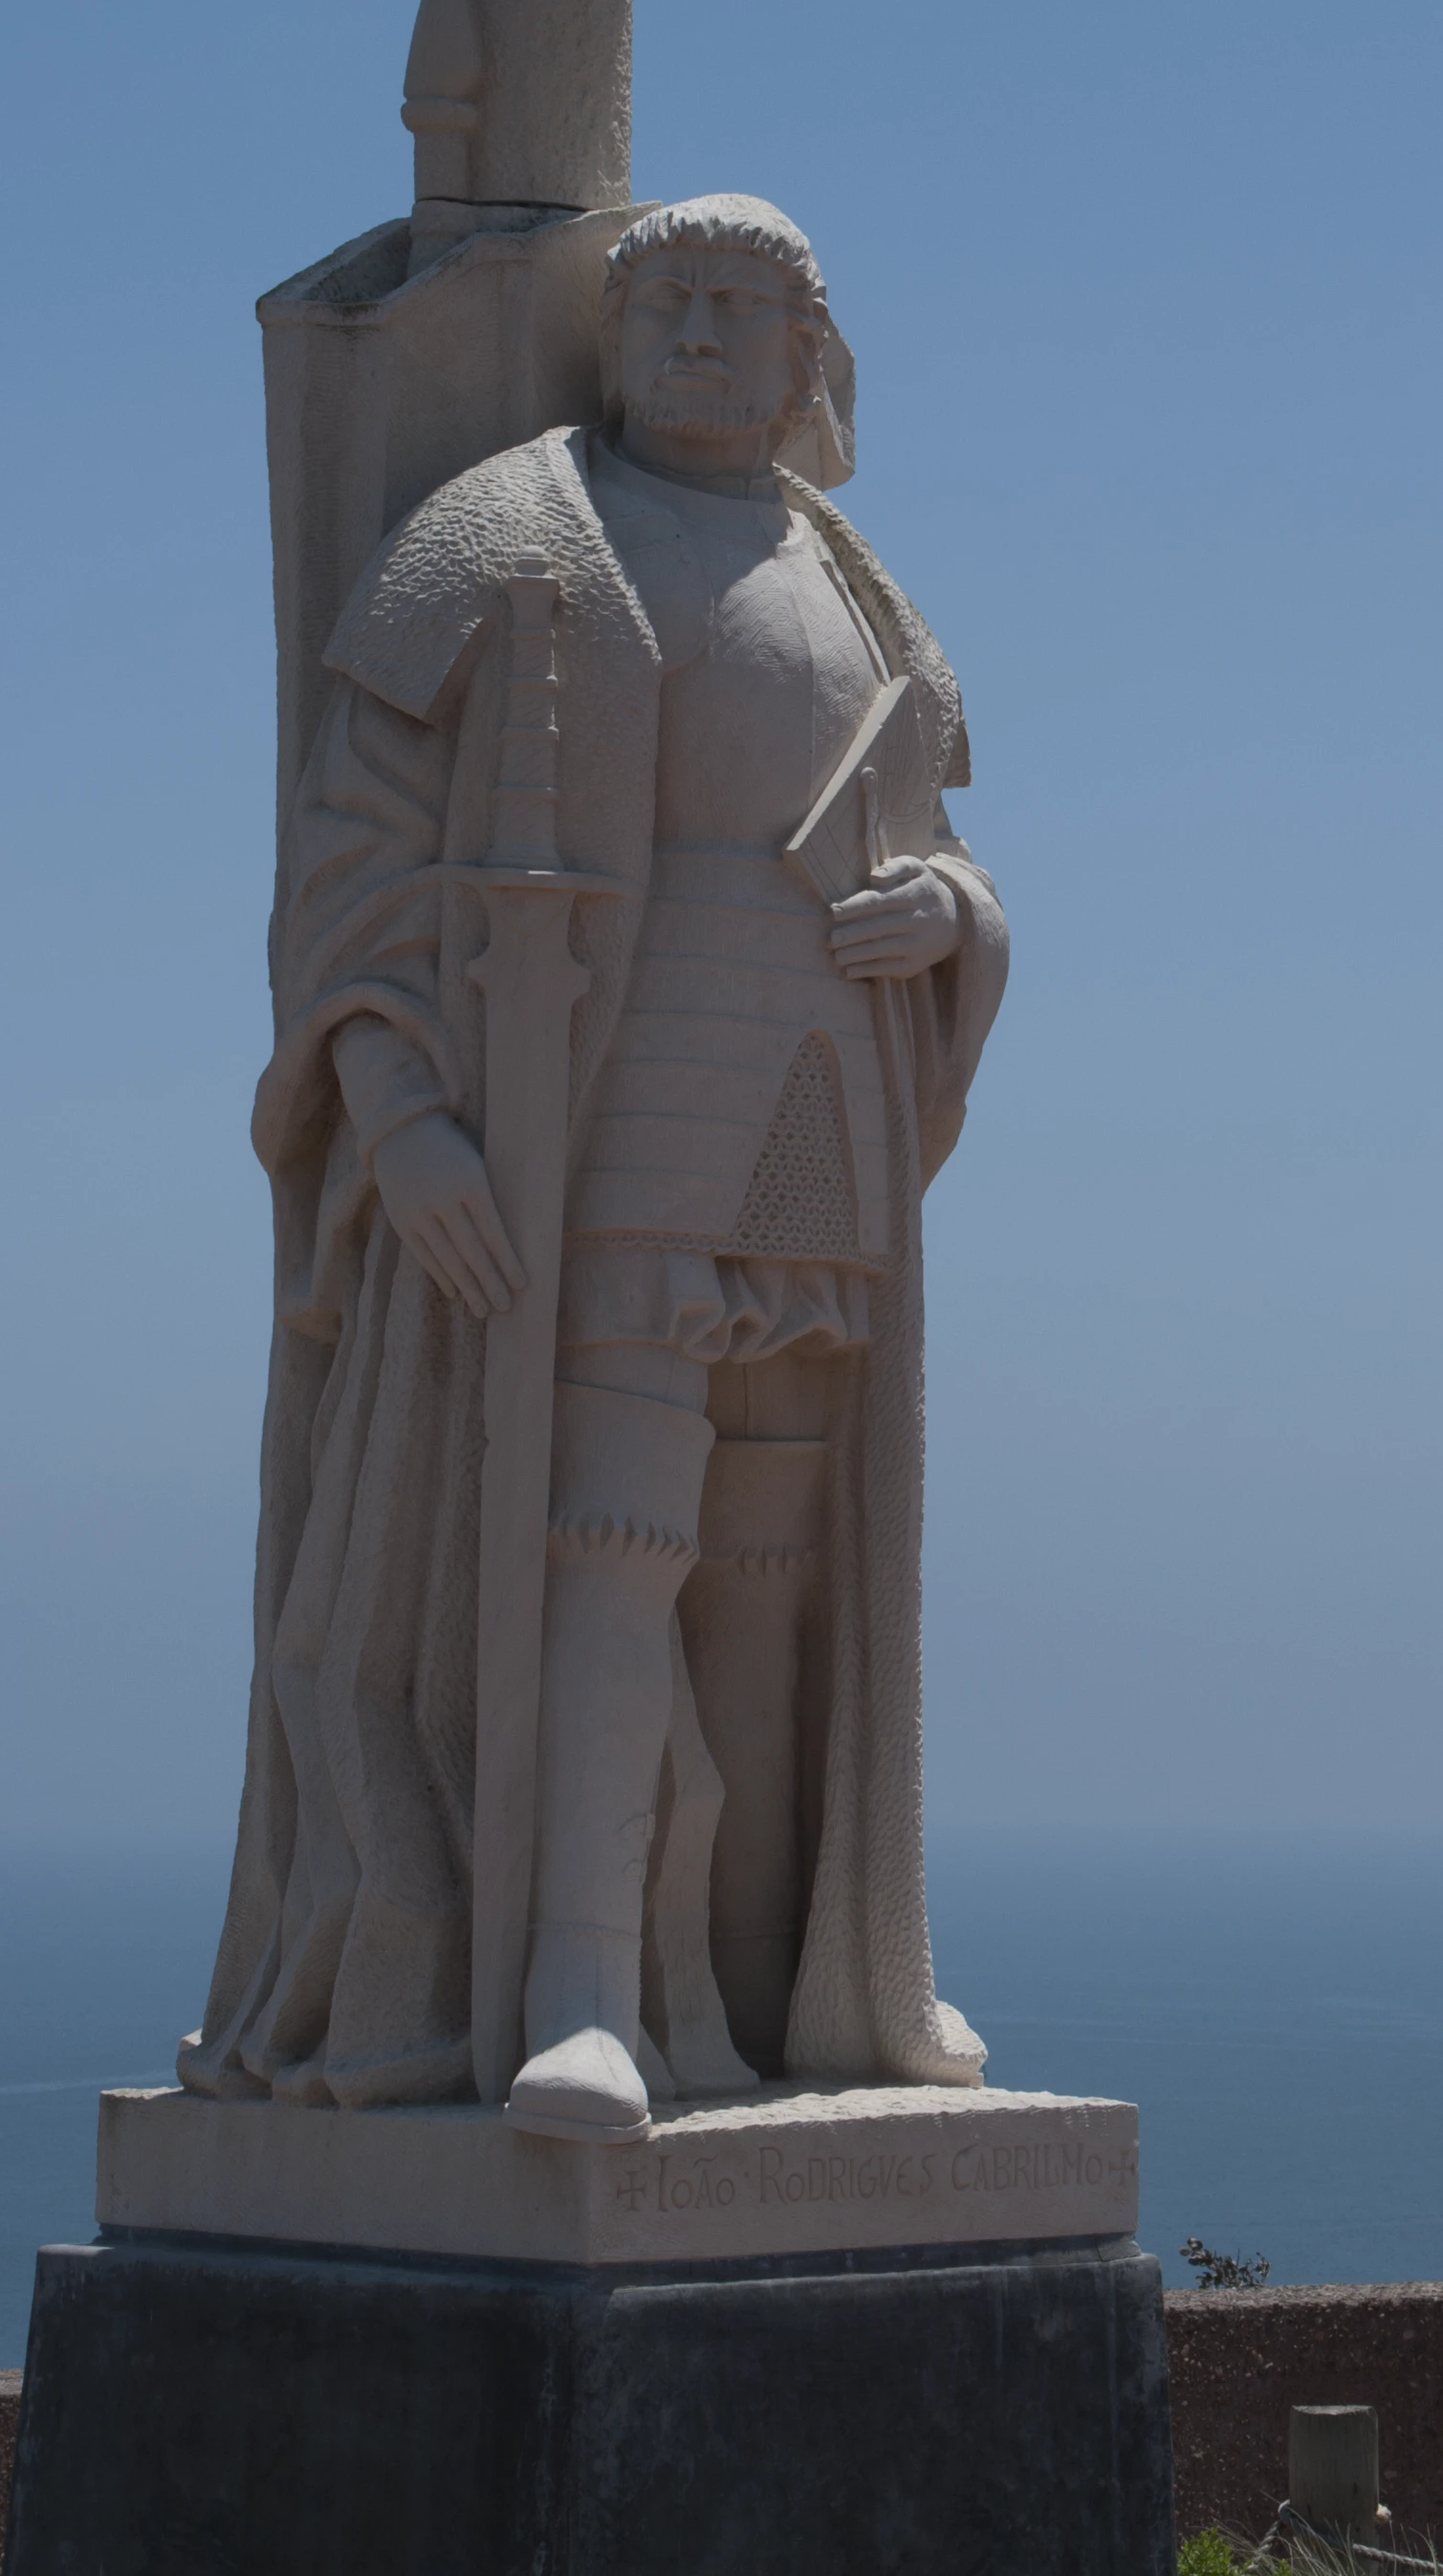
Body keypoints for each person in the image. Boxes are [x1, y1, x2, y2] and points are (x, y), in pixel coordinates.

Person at [181, 195, 1009, 2131]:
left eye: (748, 307)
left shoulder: (858, 580)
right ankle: (574, 1982)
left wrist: (953, 920)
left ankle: (794, 1970)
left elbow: (944, 845)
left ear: (813, 356)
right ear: (613, 331)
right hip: (606, 1103)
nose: (707, 335)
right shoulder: (503, 532)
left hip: (819, 1109)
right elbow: (350, 866)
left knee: (783, 1561)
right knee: (613, 1544)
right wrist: (400, 1110)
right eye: (670, 300)